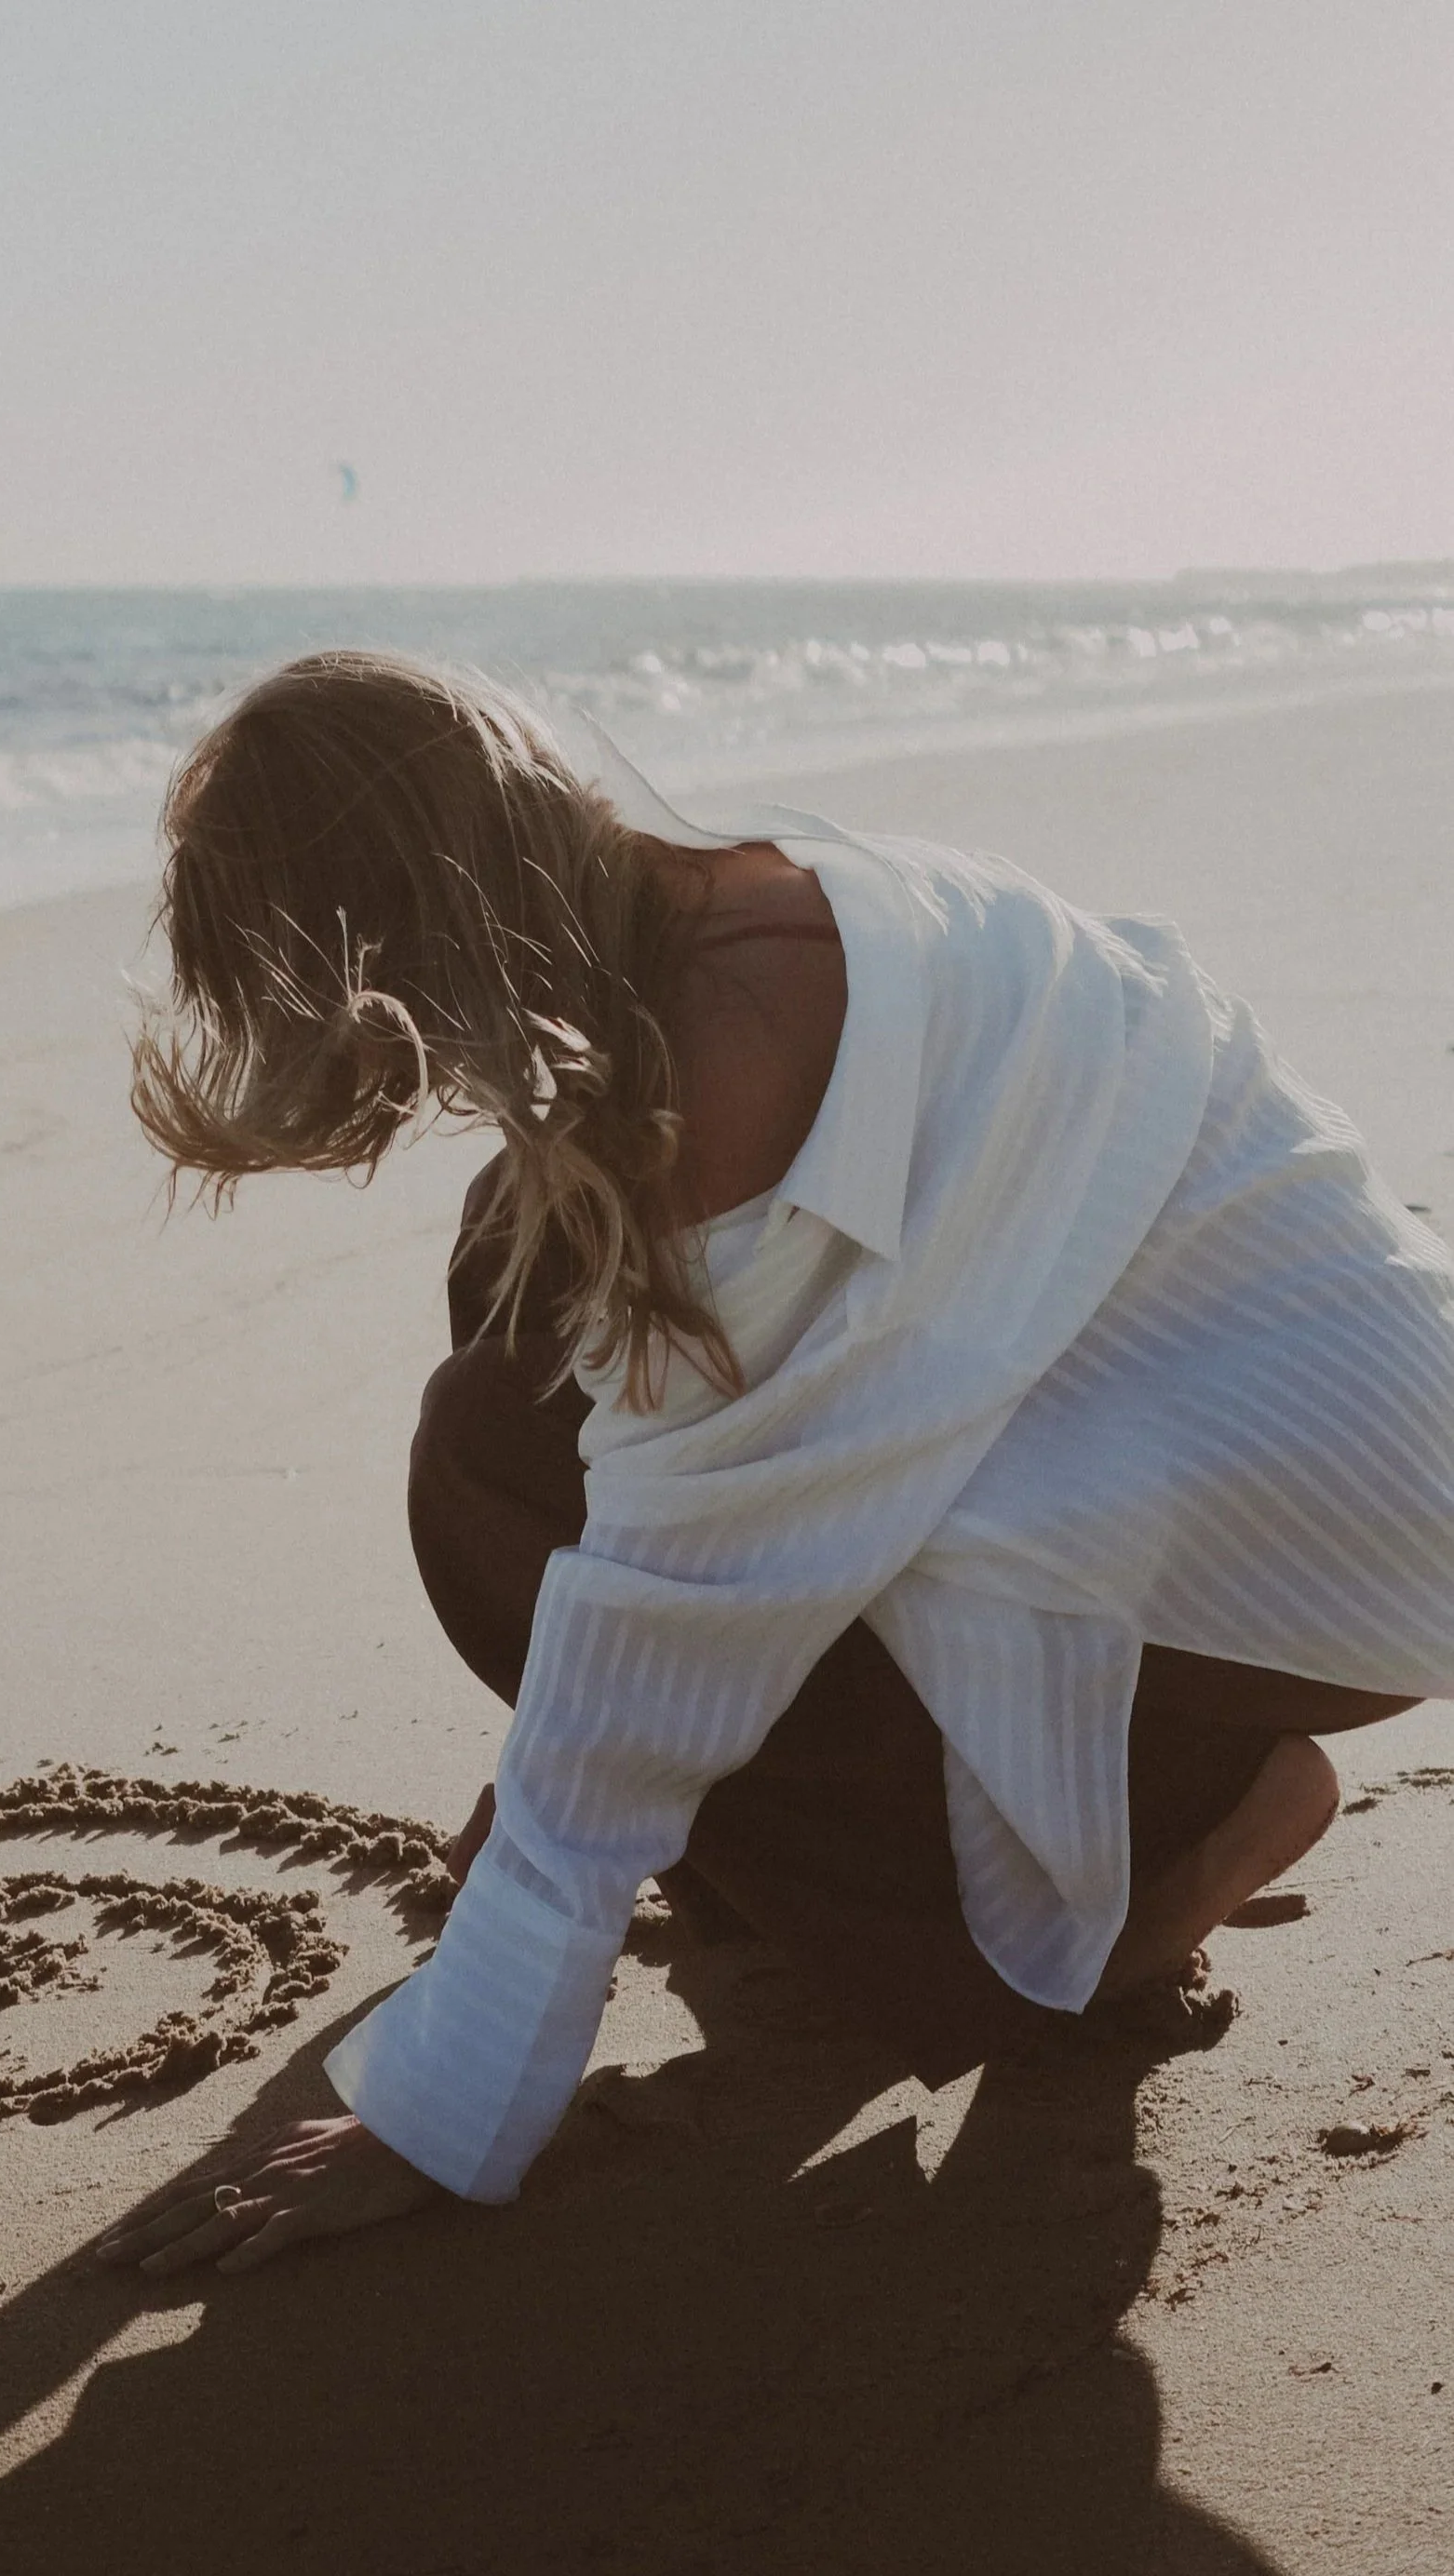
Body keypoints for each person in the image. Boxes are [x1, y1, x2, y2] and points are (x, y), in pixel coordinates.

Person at [95, 649, 1454, 2278]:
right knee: (520, 1258)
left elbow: (668, 1623)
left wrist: (447, 2095)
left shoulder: (714, 1072)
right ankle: (900, 1839)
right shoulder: (783, 888)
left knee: (491, 1468)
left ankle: (1190, 1847)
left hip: (1304, 1574)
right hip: (1319, 1429)